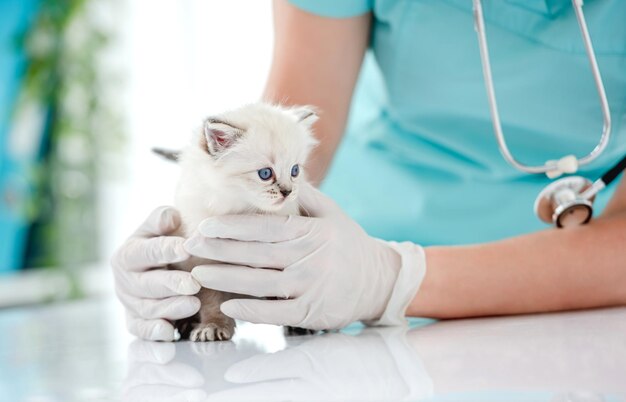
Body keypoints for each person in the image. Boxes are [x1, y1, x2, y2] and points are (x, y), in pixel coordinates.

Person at [112, 0, 626, 341]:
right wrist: (196, 225)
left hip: (591, 298)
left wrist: (392, 278)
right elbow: (289, 134)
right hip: (343, 280)